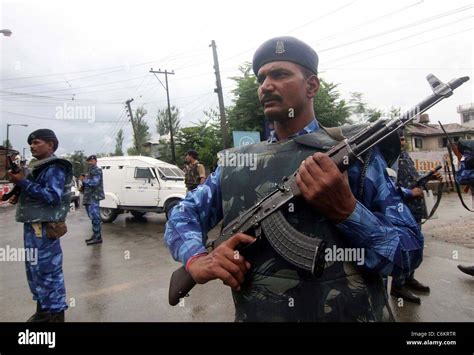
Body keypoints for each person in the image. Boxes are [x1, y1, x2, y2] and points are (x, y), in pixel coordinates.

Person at [165, 36, 423, 321]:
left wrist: (348, 213)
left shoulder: (356, 157)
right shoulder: (236, 164)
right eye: (262, 78)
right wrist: (196, 259)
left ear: (312, 85)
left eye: (280, 74)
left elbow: (408, 254)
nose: (266, 85)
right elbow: (183, 212)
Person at [7, 129, 72, 322]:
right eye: (31, 143)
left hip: (44, 230)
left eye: (37, 142)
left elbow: (52, 197)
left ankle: (55, 317)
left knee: (49, 273)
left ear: (51, 144)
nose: (32, 146)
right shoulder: (39, 167)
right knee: (35, 272)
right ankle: (43, 312)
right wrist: (20, 187)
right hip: (33, 228)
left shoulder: (54, 168)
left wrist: (24, 183)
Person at [389, 133, 435, 304]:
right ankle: (398, 286)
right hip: (401, 213)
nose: (401, 143)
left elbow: (415, 180)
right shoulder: (388, 160)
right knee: (404, 250)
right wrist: (410, 193)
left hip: (414, 211)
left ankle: (409, 278)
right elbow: (387, 189)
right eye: (398, 139)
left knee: (416, 247)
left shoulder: (405, 156)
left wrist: (428, 178)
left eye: (403, 139)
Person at [80, 155, 105, 245]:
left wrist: (85, 180)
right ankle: (95, 235)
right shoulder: (90, 171)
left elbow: (95, 182)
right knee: (92, 217)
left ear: (95, 161)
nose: (90, 163)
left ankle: (98, 237)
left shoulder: (97, 170)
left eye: (91, 161)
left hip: (94, 197)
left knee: (95, 217)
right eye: (88, 161)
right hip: (89, 197)